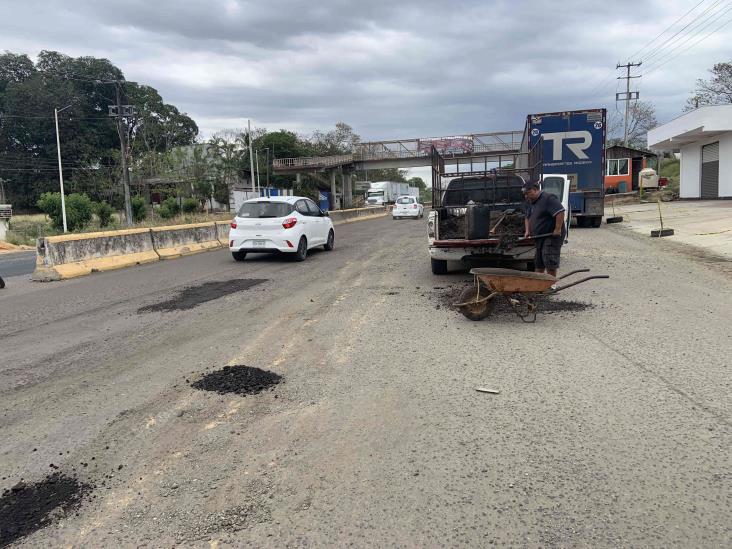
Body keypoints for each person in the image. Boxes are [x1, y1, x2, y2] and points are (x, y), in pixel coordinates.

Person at [522, 181, 565, 277]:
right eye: (524, 194)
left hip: (551, 235)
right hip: (539, 236)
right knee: (538, 262)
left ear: (536, 190)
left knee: (549, 260)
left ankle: (551, 285)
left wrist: (557, 229)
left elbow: (560, 212)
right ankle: (539, 285)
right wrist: (528, 231)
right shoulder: (530, 202)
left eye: (528, 193)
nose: (526, 196)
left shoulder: (548, 198)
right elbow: (527, 217)